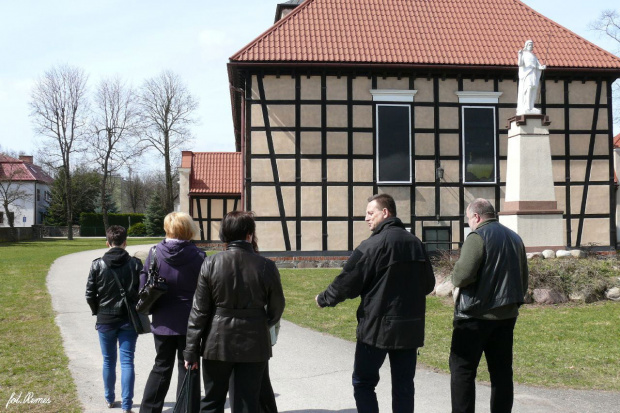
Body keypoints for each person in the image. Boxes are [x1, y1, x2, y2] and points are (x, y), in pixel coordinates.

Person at [315, 193, 436, 413]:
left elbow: (348, 281)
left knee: (363, 383)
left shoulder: (372, 245)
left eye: (370, 213)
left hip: (376, 329)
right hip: (409, 328)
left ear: (385, 213)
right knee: (404, 387)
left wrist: (323, 299)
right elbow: (429, 284)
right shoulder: (416, 244)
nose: (366, 218)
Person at [183, 211, 286, 413]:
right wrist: (260, 324)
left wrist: (191, 350)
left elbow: (199, 311)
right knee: (247, 402)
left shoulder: (211, 263)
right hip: (254, 341)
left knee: (212, 401)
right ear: (249, 234)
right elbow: (277, 308)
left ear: (225, 234)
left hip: (216, 340)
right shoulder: (266, 265)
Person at [449, 198, 529, 413]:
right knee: (502, 373)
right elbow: (524, 278)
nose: (469, 224)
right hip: (506, 315)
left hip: (475, 316)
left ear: (476, 216)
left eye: (468, 219)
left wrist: (455, 273)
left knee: (462, 370)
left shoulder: (477, 236)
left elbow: (461, 276)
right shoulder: (515, 238)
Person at [139, 212, 206, 413]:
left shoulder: (154, 253)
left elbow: (142, 285)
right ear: (188, 229)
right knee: (189, 368)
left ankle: (149, 410)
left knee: (161, 366)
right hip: (191, 322)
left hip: (163, 320)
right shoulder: (199, 256)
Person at [86, 225, 143, 413]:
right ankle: (127, 404)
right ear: (125, 243)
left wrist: (98, 311)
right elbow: (141, 292)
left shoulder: (97, 264)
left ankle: (109, 398)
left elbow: (89, 294)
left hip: (105, 319)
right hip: (128, 319)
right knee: (127, 361)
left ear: (107, 243)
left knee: (108, 361)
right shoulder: (135, 264)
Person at [517, 39, 546, 115]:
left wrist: (542, 67)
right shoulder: (523, 54)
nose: (531, 46)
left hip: (533, 73)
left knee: (534, 88)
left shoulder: (534, 56)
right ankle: (527, 106)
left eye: (532, 45)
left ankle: (531, 106)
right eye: (529, 45)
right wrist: (519, 55)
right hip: (527, 73)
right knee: (528, 88)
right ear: (526, 46)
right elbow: (520, 64)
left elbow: (538, 66)